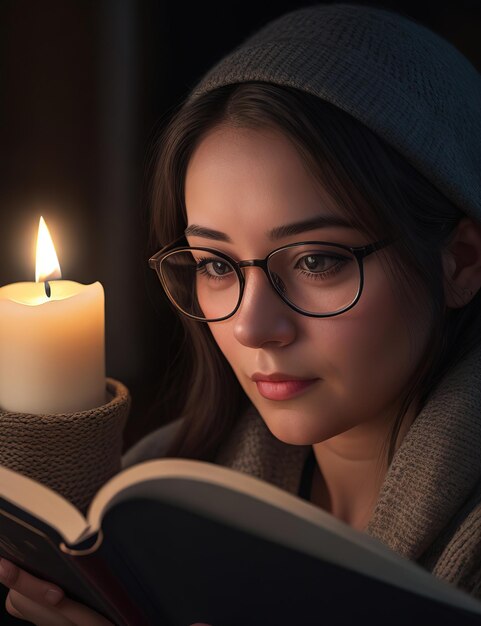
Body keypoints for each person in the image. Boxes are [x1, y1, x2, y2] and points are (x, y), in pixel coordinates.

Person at [2, 2, 481, 624]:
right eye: (217, 266)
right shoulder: (153, 501)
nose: (253, 328)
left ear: (462, 262)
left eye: (315, 262)